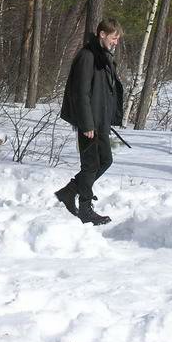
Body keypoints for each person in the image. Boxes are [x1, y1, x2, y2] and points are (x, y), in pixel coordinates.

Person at [56, 19, 124, 225]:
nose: (116, 42)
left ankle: (70, 191)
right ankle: (85, 208)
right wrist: (86, 124)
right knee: (91, 164)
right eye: (114, 37)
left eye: (118, 39)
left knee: (105, 161)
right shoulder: (87, 56)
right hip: (90, 122)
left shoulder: (102, 57)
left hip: (100, 121)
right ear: (102, 34)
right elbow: (80, 93)